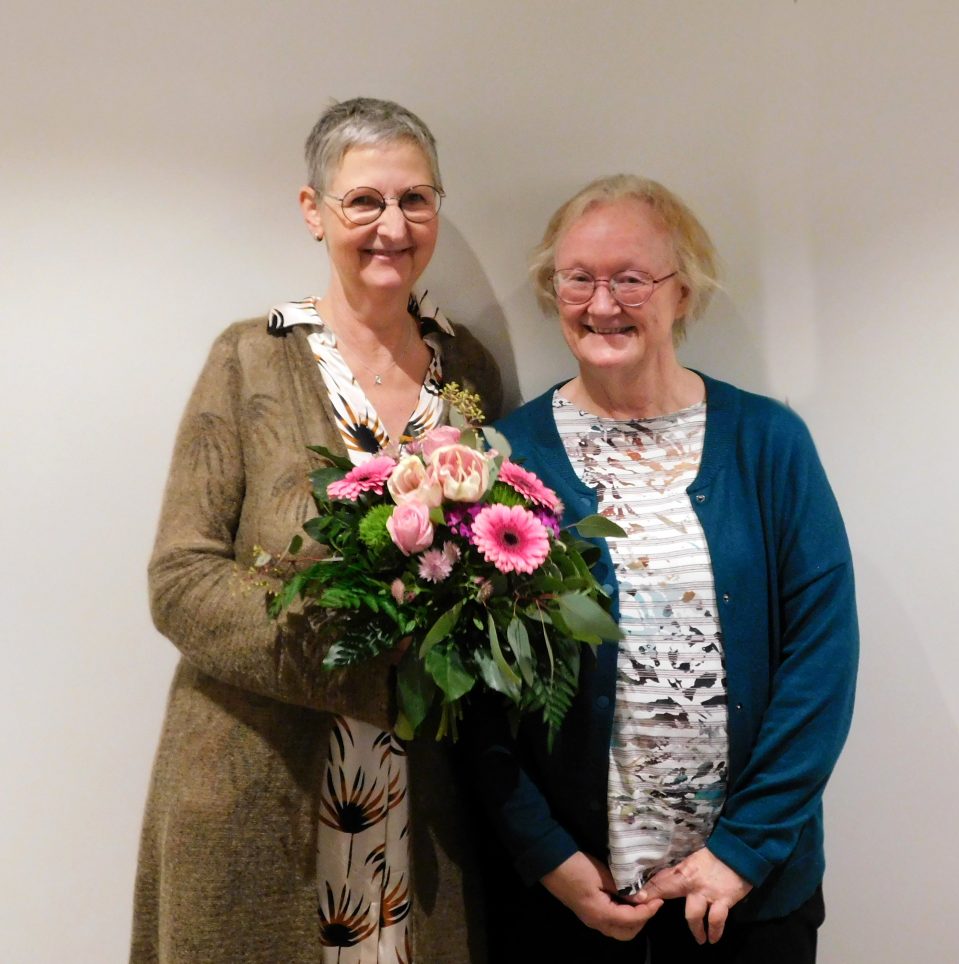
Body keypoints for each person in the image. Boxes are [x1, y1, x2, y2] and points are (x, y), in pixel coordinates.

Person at [131, 97, 501, 964]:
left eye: (416, 200)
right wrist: (362, 662)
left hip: (420, 803)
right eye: (363, 201)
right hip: (254, 791)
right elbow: (181, 579)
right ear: (313, 211)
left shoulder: (469, 366)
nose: (392, 226)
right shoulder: (249, 358)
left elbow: (493, 558)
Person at [467, 174, 857, 963]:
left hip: (745, 899)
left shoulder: (768, 444)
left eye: (632, 279)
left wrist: (743, 851)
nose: (602, 305)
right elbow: (476, 695)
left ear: (683, 293)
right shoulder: (504, 461)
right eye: (578, 278)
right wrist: (548, 857)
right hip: (574, 903)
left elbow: (822, 661)